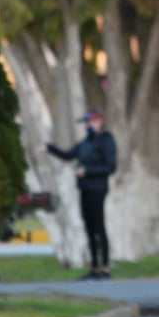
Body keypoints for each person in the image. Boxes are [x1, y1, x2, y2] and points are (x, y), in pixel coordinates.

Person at [45, 109, 117, 280]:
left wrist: (88, 171)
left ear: (100, 122)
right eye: (85, 123)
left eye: (90, 122)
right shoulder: (85, 143)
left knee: (99, 227)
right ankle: (94, 267)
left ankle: (105, 268)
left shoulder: (106, 140)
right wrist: (49, 148)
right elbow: (68, 155)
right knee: (89, 228)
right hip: (84, 189)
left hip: (98, 189)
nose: (87, 126)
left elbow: (110, 167)